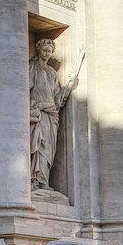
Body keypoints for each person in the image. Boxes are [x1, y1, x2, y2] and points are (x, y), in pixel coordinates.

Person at [29, 38, 78, 191]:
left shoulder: (52, 73)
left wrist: (69, 87)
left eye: (50, 51)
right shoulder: (32, 67)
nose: (47, 53)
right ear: (38, 49)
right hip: (39, 112)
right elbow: (24, 89)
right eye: (44, 50)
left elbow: (57, 99)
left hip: (51, 115)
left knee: (48, 148)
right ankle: (33, 180)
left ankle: (43, 181)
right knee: (38, 145)